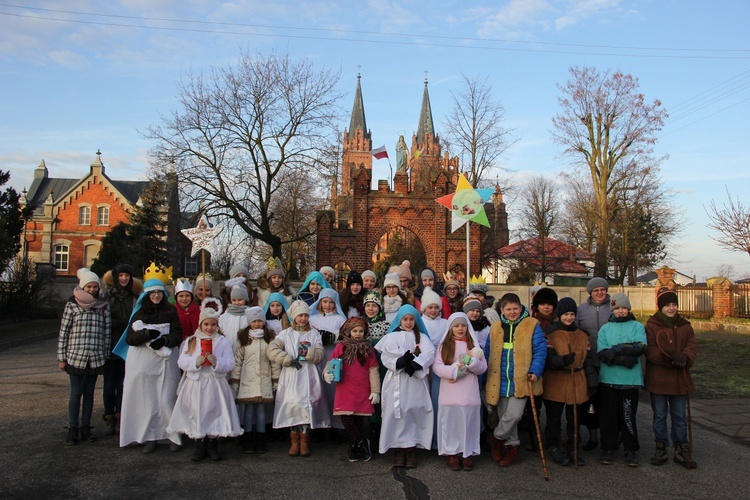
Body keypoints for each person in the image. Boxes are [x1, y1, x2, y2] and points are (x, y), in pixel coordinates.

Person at [168, 298, 243, 461]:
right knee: (197, 411)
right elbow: (181, 361)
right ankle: (199, 444)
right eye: (206, 324)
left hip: (215, 383)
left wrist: (217, 362)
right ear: (201, 325)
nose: (209, 328)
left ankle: (213, 445)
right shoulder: (191, 341)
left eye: (213, 325)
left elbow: (230, 362)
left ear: (217, 325)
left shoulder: (222, 341)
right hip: (197, 384)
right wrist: (196, 362)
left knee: (214, 412)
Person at [117, 274, 183, 453]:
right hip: (143, 361)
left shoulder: (170, 311)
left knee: (167, 399)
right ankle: (150, 437)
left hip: (166, 360)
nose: (156, 296)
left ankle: (173, 435)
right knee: (148, 400)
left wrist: (165, 340)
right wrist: (145, 335)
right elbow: (130, 338)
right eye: (153, 293)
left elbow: (177, 332)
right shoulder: (139, 313)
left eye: (159, 293)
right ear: (147, 295)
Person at [484, 293, 546, 467]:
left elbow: (540, 350)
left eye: (515, 309)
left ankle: (496, 438)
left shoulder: (531, 325)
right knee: (505, 415)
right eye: (508, 309)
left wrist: (535, 370)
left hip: (522, 379)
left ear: (521, 308)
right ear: (502, 310)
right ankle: (512, 447)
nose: (512, 312)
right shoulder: (496, 327)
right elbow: (489, 352)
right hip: (500, 379)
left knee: (514, 415)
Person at [376, 305, 436, 468]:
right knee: (397, 412)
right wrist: (401, 363)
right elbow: (385, 357)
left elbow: (429, 353)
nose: (408, 322)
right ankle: (397, 449)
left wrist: (415, 365)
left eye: (411, 319)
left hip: (415, 381)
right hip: (396, 380)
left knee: (413, 410)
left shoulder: (421, 337)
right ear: (399, 320)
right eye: (405, 319)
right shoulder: (391, 337)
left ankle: (411, 449)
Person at [268, 300, 330, 456]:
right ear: (294, 317)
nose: (303, 318)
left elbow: (320, 352)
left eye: (305, 315)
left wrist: (313, 355)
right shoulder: (286, 334)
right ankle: (294, 440)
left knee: (307, 406)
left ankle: (304, 440)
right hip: (292, 374)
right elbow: (272, 349)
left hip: (309, 374)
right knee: (293, 405)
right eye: (300, 315)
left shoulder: (314, 333)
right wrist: (285, 358)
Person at [57, 268, 111, 445]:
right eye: (89, 287)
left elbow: (106, 332)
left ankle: (86, 427)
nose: (92, 290)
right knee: (76, 392)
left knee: (89, 393)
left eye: (95, 286)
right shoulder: (72, 304)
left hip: (95, 356)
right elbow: (64, 332)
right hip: (76, 356)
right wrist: (61, 357)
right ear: (83, 287)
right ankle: (73, 428)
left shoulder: (103, 305)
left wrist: (105, 353)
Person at [645, 287, 697, 469]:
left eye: (674, 304)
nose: (671, 308)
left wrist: (685, 358)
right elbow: (650, 350)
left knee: (679, 415)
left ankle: (681, 448)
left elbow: (692, 347)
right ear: (660, 307)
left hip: (679, 379)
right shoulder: (651, 326)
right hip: (658, 379)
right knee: (659, 415)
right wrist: (668, 357)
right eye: (667, 305)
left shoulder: (685, 326)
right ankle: (661, 446)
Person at [542, 297, 598, 467]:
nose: (569, 317)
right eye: (566, 314)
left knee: (574, 418)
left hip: (577, 380)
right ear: (560, 315)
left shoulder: (582, 335)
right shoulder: (551, 334)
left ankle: (574, 447)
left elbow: (588, 360)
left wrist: (592, 381)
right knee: (554, 417)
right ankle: (553, 446)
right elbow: (548, 360)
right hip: (557, 380)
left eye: (572, 314)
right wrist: (562, 361)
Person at [432, 313, 488, 471]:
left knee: (468, 421)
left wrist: (472, 363)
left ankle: (467, 453)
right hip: (450, 391)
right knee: (451, 422)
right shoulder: (445, 345)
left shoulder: (473, 346)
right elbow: (437, 366)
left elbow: (483, 367)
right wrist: (453, 372)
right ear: (451, 328)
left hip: (468, 391)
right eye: (456, 326)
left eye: (463, 325)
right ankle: (452, 453)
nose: (460, 328)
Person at [597, 292, 647, 467]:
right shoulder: (605, 329)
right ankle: (608, 448)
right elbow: (603, 353)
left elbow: (639, 346)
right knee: (608, 417)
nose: (620, 311)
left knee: (627, 416)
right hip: (608, 379)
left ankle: (630, 449)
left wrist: (617, 349)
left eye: (624, 308)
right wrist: (624, 359)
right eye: (617, 308)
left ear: (629, 309)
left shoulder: (637, 326)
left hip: (629, 381)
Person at [323, 317, 381, 462]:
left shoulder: (368, 349)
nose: (358, 334)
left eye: (361, 331)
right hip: (345, 388)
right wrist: (326, 373)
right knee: (347, 419)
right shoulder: (341, 347)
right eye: (355, 331)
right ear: (348, 332)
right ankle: (361, 442)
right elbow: (331, 362)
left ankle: (354, 446)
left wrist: (375, 390)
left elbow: (373, 370)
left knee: (358, 420)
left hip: (362, 389)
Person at [230, 306, 279, 455]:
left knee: (261, 410)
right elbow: (238, 360)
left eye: (259, 321)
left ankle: (261, 439)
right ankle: (248, 440)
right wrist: (235, 379)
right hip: (247, 378)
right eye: (254, 321)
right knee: (249, 410)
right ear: (249, 322)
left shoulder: (269, 338)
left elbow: (274, 361)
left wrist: (275, 378)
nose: (257, 324)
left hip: (264, 377)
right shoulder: (244, 338)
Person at [101, 263, 140, 436]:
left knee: (123, 384)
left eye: (127, 276)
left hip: (128, 346)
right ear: (115, 277)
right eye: (120, 275)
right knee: (109, 384)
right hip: (110, 345)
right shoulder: (106, 297)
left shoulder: (134, 297)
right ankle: (109, 416)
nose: (123, 279)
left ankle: (120, 415)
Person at [575, 276, 611, 451]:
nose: (599, 293)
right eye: (596, 290)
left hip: (611, 362)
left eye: (602, 290)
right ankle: (592, 436)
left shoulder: (614, 308)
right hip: (588, 361)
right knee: (590, 401)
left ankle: (610, 437)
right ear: (590, 292)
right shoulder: (581, 310)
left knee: (609, 402)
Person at [310, 288, 348, 436]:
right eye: (324, 301)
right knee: (318, 391)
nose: (327, 305)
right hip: (317, 359)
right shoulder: (313, 318)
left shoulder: (340, 319)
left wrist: (333, 337)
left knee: (333, 391)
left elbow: (346, 337)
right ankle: (318, 426)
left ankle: (335, 427)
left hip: (333, 358)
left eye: (331, 302)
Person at [218, 279, 250, 349]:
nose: (237, 303)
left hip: (244, 350)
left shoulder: (249, 314)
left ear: (245, 299)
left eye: (240, 300)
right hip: (228, 350)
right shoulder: (224, 317)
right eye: (234, 300)